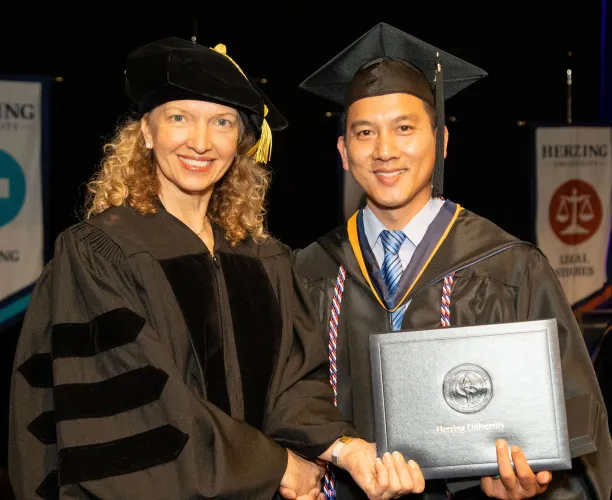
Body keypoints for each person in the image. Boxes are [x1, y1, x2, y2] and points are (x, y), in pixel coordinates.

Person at [8, 36, 424, 500]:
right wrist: (277, 466)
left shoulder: (264, 259)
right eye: (179, 118)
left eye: (222, 122)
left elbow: (293, 382)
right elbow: (142, 413)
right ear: (147, 131)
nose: (201, 142)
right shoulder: (99, 253)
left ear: (242, 142)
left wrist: (345, 449)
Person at [294, 22, 612, 500]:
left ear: (441, 141)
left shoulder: (511, 269)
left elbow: (577, 427)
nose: (385, 151)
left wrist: (532, 488)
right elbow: (282, 407)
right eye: (365, 133)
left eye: (405, 128)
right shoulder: (308, 271)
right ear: (344, 151)